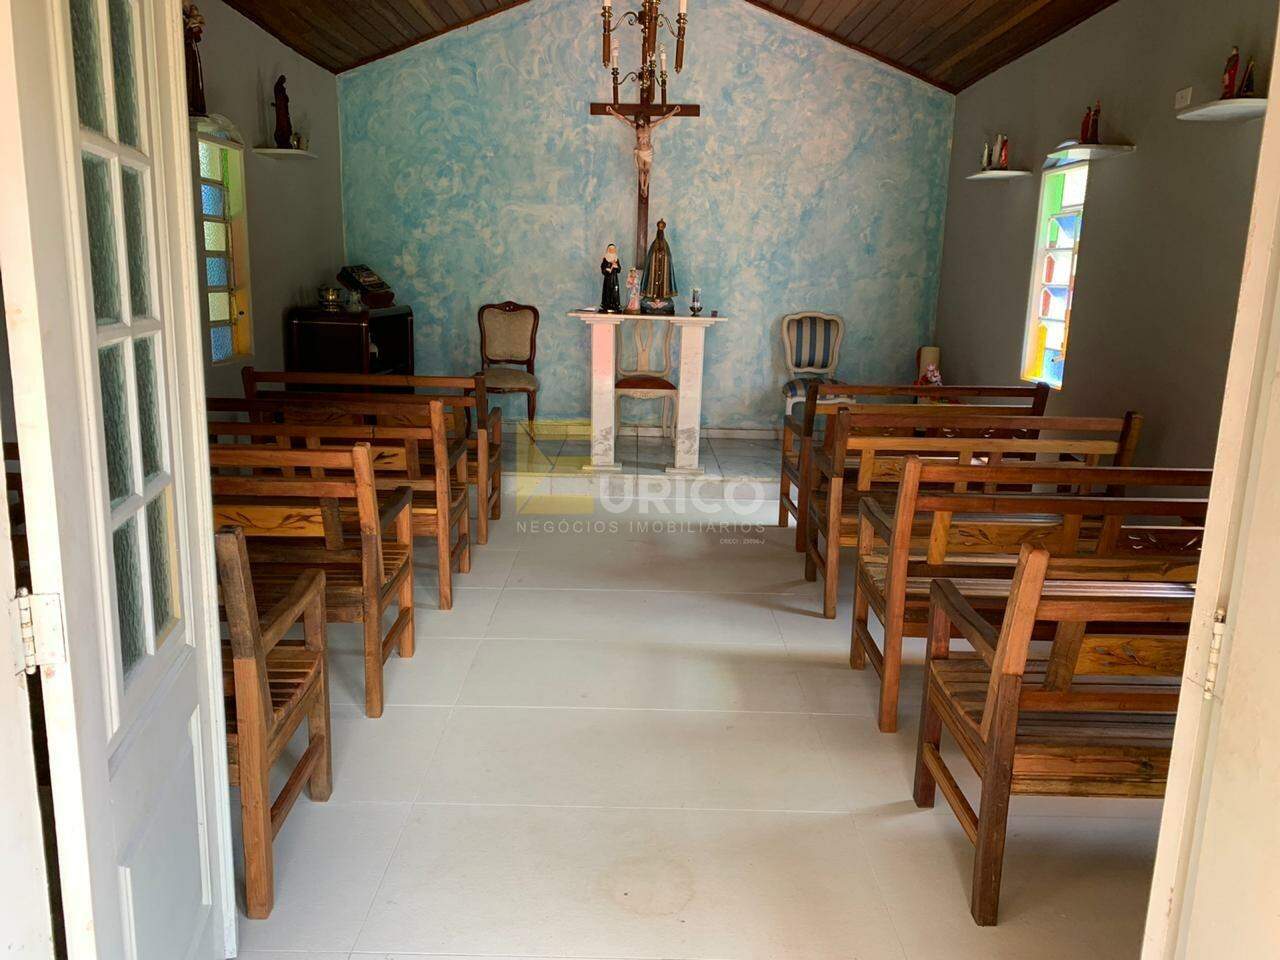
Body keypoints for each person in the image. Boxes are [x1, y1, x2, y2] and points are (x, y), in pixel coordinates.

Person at [600, 243, 622, 313]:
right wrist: (607, 268)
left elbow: (619, 270)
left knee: (615, 291)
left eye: (613, 249)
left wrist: (616, 266)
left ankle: (615, 305)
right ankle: (606, 305)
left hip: (614, 279)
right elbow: (603, 269)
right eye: (610, 249)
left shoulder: (616, 259)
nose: (612, 251)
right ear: (608, 250)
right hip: (608, 279)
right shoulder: (605, 259)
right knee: (607, 291)